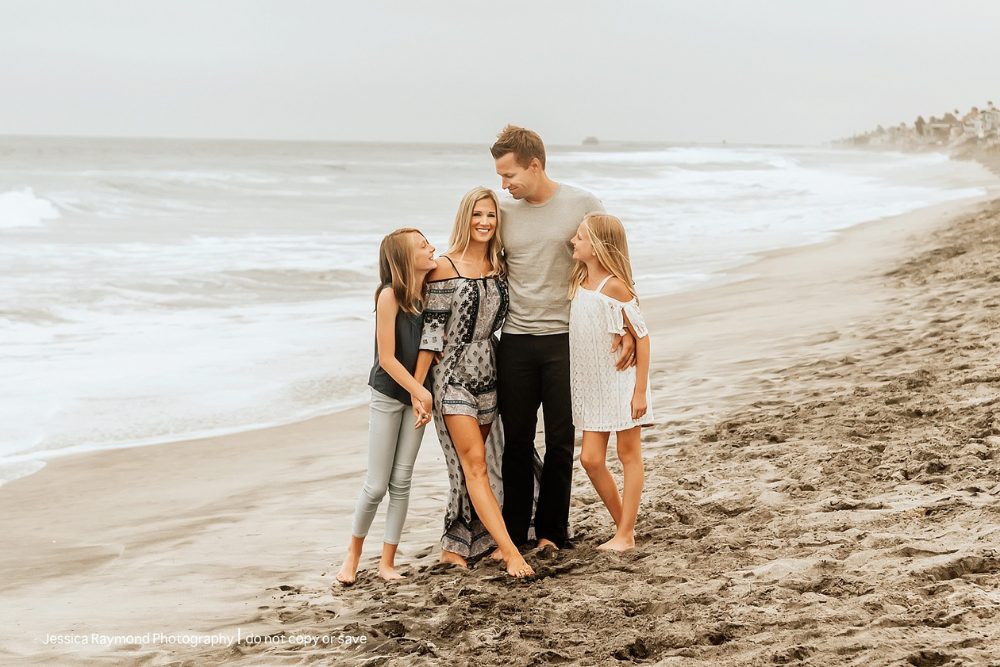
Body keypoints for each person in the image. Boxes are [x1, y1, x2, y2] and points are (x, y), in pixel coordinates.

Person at [491, 125, 636, 552]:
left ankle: (553, 533)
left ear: (535, 166)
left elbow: (615, 262)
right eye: (500, 177)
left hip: (566, 340)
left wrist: (626, 327)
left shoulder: (583, 203)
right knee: (516, 442)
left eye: (510, 175)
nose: (504, 185)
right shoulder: (501, 209)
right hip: (515, 339)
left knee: (559, 441)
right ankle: (514, 535)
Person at [414, 187, 534, 578]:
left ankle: (458, 541)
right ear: (465, 217)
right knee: (474, 464)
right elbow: (431, 334)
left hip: (491, 373)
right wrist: (419, 390)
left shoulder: (500, 266)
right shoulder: (443, 267)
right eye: (477, 215)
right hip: (451, 379)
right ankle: (510, 551)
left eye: (491, 216)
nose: (484, 222)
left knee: (479, 465)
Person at [336, 228, 437, 585]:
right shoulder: (389, 296)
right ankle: (354, 554)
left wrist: (421, 393)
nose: (432, 247)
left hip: (418, 395)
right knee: (377, 485)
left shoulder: (431, 293)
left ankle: (387, 562)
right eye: (423, 246)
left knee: (402, 481)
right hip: (389, 394)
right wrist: (418, 392)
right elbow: (388, 358)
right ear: (404, 259)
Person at [569, 214, 652, 551]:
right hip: (591, 386)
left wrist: (640, 390)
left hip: (620, 382)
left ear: (598, 247)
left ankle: (625, 533)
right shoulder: (578, 280)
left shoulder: (615, 287)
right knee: (590, 459)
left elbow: (642, 337)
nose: (573, 241)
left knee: (628, 454)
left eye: (580, 237)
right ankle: (624, 528)